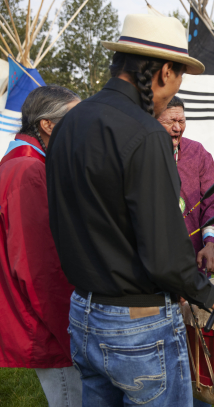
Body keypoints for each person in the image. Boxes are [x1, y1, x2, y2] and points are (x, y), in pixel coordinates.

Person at [46, 14, 214, 406]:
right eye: (179, 80)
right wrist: (206, 293)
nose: (172, 95)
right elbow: (165, 252)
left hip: (83, 311)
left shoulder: (68, 123)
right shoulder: (147, 133)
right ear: (165, 71)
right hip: (137, 324)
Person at [0, 86, 81, 406]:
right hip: (47, 330)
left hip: (40, 322)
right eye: (73, 121)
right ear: (48, 125)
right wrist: (71, 337)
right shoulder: (28, 170)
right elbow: (39, 269)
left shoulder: (22, 163)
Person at [158, 96, 214, 276]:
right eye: (170, 121)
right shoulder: (140, 153)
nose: (177, 128)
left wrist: (210, 244)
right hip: (153, 263)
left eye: (181, 121)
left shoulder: (197, 153)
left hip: (193, 259)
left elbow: (213, 204)